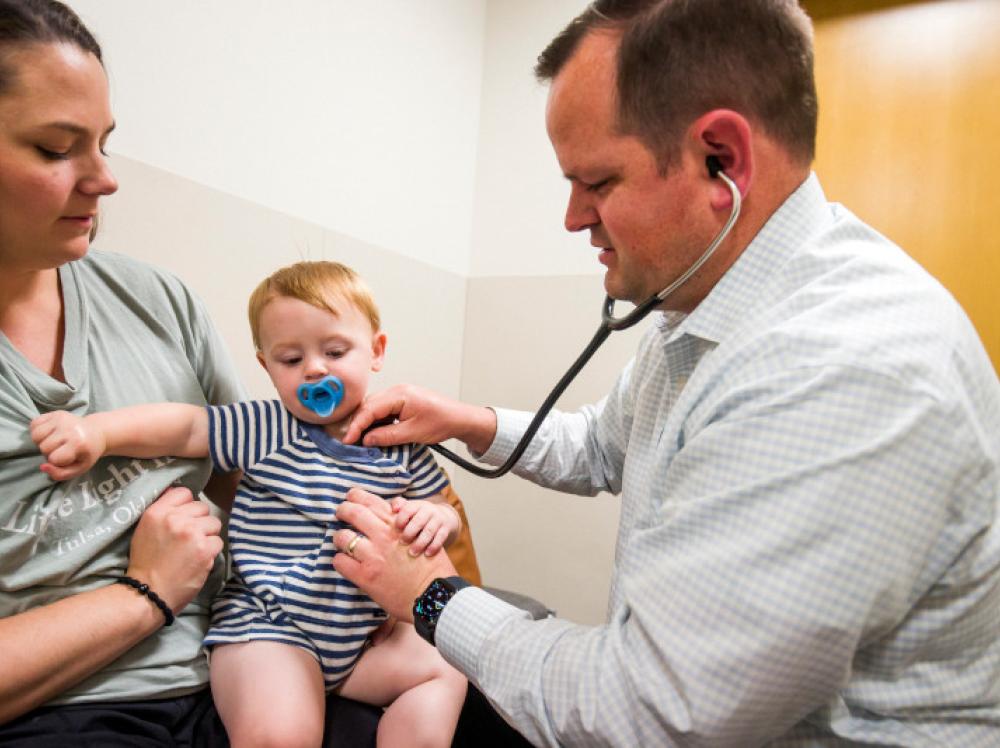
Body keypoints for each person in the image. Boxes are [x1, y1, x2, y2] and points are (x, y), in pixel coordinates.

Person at [333, 0, 1000, 745]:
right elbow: (602, 445)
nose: (572, 217)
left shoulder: (841, 365)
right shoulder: (706, 301)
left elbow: (647, 713)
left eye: (597, 181)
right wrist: (465, 419)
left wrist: (428, 596)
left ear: (723, 157)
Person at [0, 2, 383, 744]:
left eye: (104, 144)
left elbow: (250, 475)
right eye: (56, 149)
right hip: (69, 711)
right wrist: (145, 593)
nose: (104, 180)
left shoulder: (157, 300)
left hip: (244, 656)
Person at [31, 260, 469, 747]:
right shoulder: (264, 427)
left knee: (448, 666)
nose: (315, 369)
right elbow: (186, 426)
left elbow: (442, 507)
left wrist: (437, 517)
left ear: (376, 351)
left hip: (361, 641)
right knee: (282, 734)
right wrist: (99, 433)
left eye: (335, 351)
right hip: (271, 629)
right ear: (266, 366)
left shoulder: (401, 442)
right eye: (291, 359)